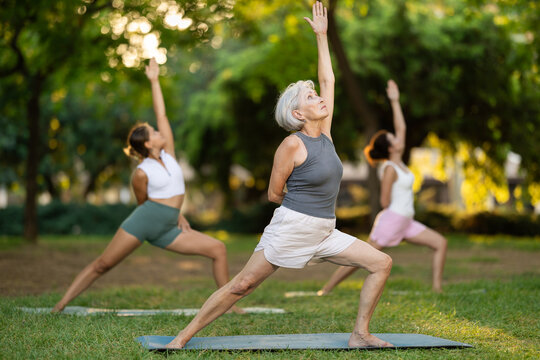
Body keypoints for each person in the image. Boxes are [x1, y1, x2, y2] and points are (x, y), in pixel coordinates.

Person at [165, 2, 393, 349]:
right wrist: (302, 208)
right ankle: (181, 338)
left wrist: (321, 36)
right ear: (297, 112)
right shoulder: (291, 144)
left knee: (381, 263)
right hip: (292, 227)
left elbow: (329, 79)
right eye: (311, 96)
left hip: (325, 230)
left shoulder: (326, 135)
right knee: (242, 285)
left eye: (317, 94)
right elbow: (274, 193)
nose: (319, 97)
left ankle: (360, 334)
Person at [52, 58, 242, 313]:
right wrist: (166, 215)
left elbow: (161, 113)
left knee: (218, 249)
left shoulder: (170, 154)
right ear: (148, 144)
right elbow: (144, 202)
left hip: (169, 226)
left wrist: (154, 80)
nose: (158, 131)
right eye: (153, 132)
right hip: (145, 221)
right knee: (103, 265)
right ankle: (61, 304)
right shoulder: (141, 173)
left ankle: (227, 305)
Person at [317, 80, 447, 296]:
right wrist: (395, 220)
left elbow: (401, 127)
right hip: (394, 220)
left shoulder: (400, 163)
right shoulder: (389, 169)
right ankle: (327, 289)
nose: (398, 138)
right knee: (360, 258)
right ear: (390, 147)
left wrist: (395, 100)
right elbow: (385, 201)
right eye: (393, 138)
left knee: (440, 243)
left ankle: (437, 288)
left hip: (406, 221)